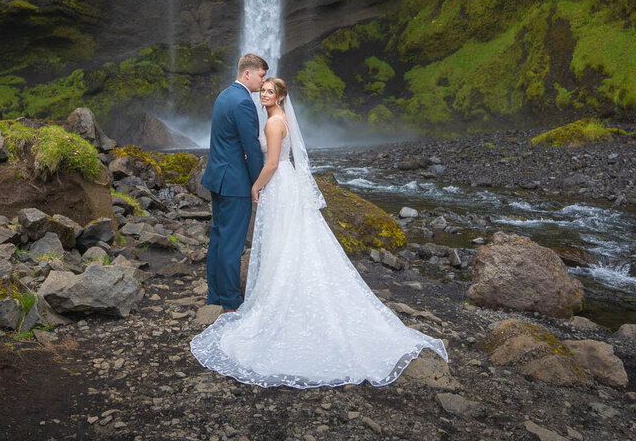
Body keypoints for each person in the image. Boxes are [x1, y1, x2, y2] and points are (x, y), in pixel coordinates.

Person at [191, 77, 448, 388]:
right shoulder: (280, 119)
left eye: (270, 91)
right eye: (263, 90)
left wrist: (255, 186)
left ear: (281, 97)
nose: (264, 94)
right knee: (291, 240)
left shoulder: (273, 123)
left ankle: (275, 295)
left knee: (280, 241)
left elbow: (271, 163)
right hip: (287, 185)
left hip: (276, 184)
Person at [200, 53, 267, 311]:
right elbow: (250, 147)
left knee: (218, 238)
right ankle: (230, 301)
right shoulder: (243, 103)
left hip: (218, 178)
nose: (263, 81)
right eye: (261, 75)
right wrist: (258, 182)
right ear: (247, 73)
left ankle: (214, 296)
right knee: (232, 244)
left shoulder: (224, 96)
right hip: (236, 183)